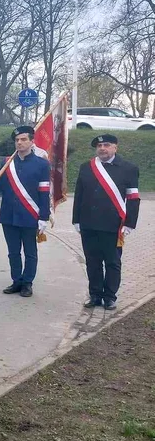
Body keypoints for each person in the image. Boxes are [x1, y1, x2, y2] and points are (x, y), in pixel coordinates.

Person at [0, 125, 51, 298]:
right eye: (17, 140)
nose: (20, 142)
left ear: (32, 142)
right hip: (9, 215)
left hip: (30, 215)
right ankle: (16, 280)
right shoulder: (7, 163)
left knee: (30, 252)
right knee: (13, 251)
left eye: (24, 139)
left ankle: (27, 283)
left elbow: (44, 192)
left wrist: (43, 217)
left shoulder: (42, 164)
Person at [72, 133, 140, 311]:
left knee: (112, 262)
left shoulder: (129, 168)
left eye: (107, 145)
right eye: (99, 146)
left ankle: (109, 297)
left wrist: (129, 223)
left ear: (115, 147)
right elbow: (79, 195)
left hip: (113, 225)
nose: (102, 148)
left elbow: (133, 198)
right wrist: (76, 220)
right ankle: (95, 295)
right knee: (92, 261)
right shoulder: (87, 167)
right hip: (88, 224)